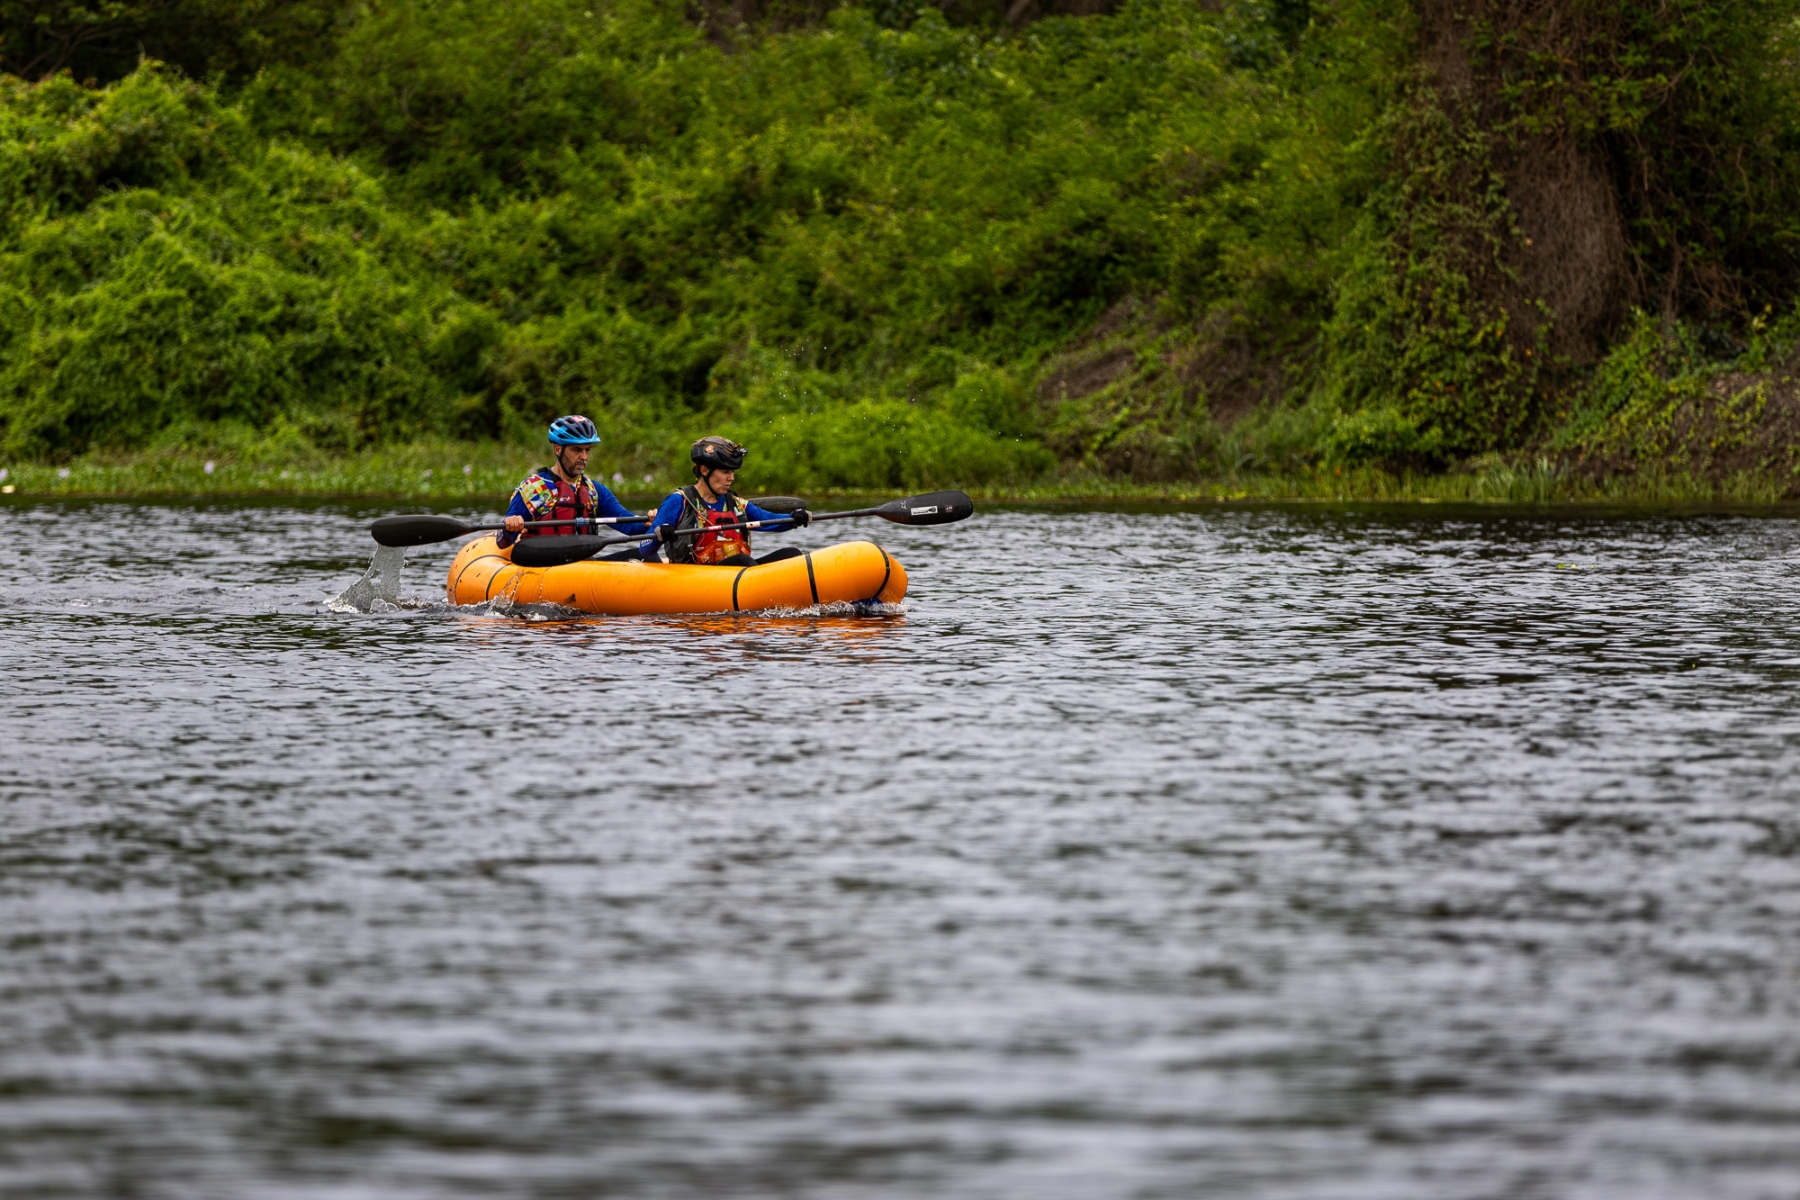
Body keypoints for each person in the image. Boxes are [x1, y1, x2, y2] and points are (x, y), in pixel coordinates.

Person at [642, 436, 811, 565]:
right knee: (742, 561)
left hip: (734, 573)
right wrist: (659, 536)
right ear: (704, 471)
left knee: (791, 554)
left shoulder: (735, 503)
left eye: (732, 472)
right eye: (725, 472)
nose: (731, 478)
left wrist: (793, 518)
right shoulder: (679, 501)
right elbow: (645, 547)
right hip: (694, 577)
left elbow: (769, 521)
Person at [499, 416, 648, 556]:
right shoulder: (534, 489)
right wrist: (511, 527)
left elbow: (630, 526)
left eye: (587, 450)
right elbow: (502, 542)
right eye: (577, 450)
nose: (584, 457)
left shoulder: (594, 491)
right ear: (558, 449)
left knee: (647, 556)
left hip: (582, 566)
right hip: (543, 564)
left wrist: (651, 521)